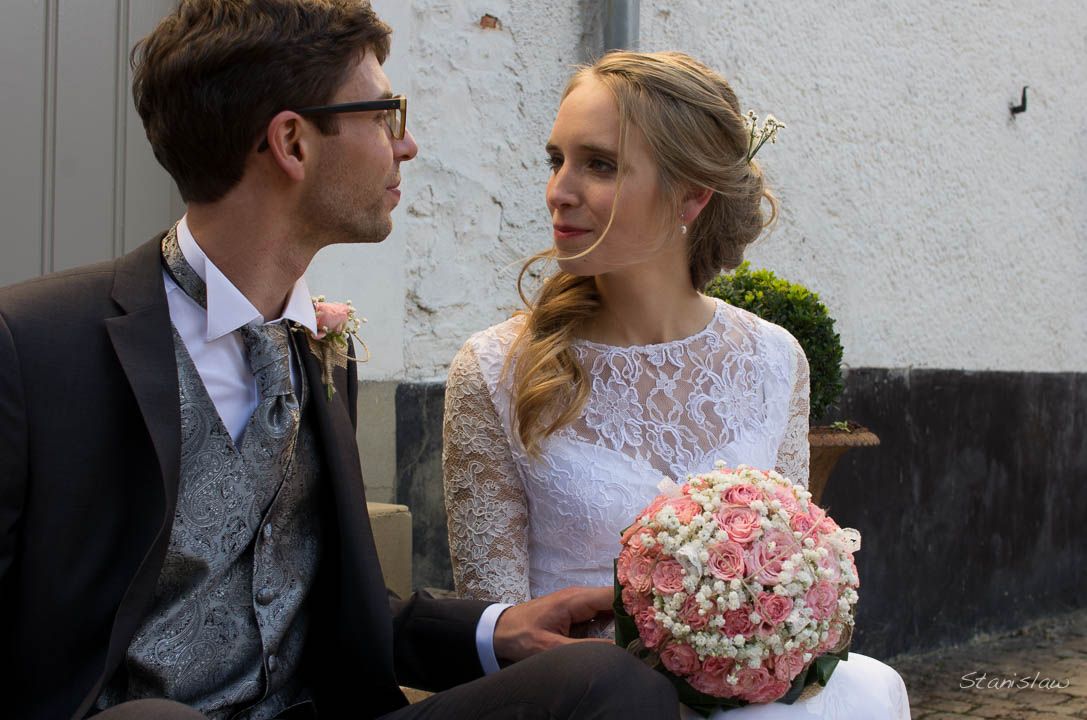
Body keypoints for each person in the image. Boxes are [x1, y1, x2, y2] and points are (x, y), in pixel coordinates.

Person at [0, 3, 683, 719]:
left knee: (608, 682)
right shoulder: (32, 346)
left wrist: (494, 629)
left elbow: (312, 601)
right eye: (385, 114)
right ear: (292, 142)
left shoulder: (318, 348)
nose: (408, 145)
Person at [443, 51, 911, 718]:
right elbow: (494, 638)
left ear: (692, 194)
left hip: (747, 707)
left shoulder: (774, 361)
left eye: (598, 164)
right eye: (557, 160)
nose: (559, 189)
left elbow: (793, 579)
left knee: (863, 689)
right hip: (585, 708)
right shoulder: (495, 370)